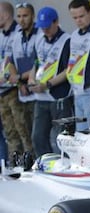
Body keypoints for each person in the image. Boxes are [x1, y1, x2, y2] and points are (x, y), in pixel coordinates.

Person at [27, 7, 73, 157]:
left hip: (58, 96)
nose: (45, 30)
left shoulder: (67, 40)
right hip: (40, 97)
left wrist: (48, 84)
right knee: (37, 136)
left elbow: (68, 70)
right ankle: (45, 164)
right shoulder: (39, 38)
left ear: (56, 22)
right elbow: (36, 63)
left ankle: (65, 166)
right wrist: (32, 79)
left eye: (47, 26)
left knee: (61, 138)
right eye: (42, 27)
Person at [0, 1, 32, 164]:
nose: (22, 19)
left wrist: (19, 82)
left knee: (23, 129)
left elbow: (23, 62)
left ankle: (28, 163)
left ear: (4, 15)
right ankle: (14, 164)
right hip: (2, 91)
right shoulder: (1, 35)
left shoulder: (18, 34)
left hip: (15, 89)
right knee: (10, 132)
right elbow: (5, 60)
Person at [67, 0, 90, 131]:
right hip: (77, 90)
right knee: (81, 132)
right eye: (75, 17)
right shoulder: (74, 35)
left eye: (81, 16)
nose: (78, 20)